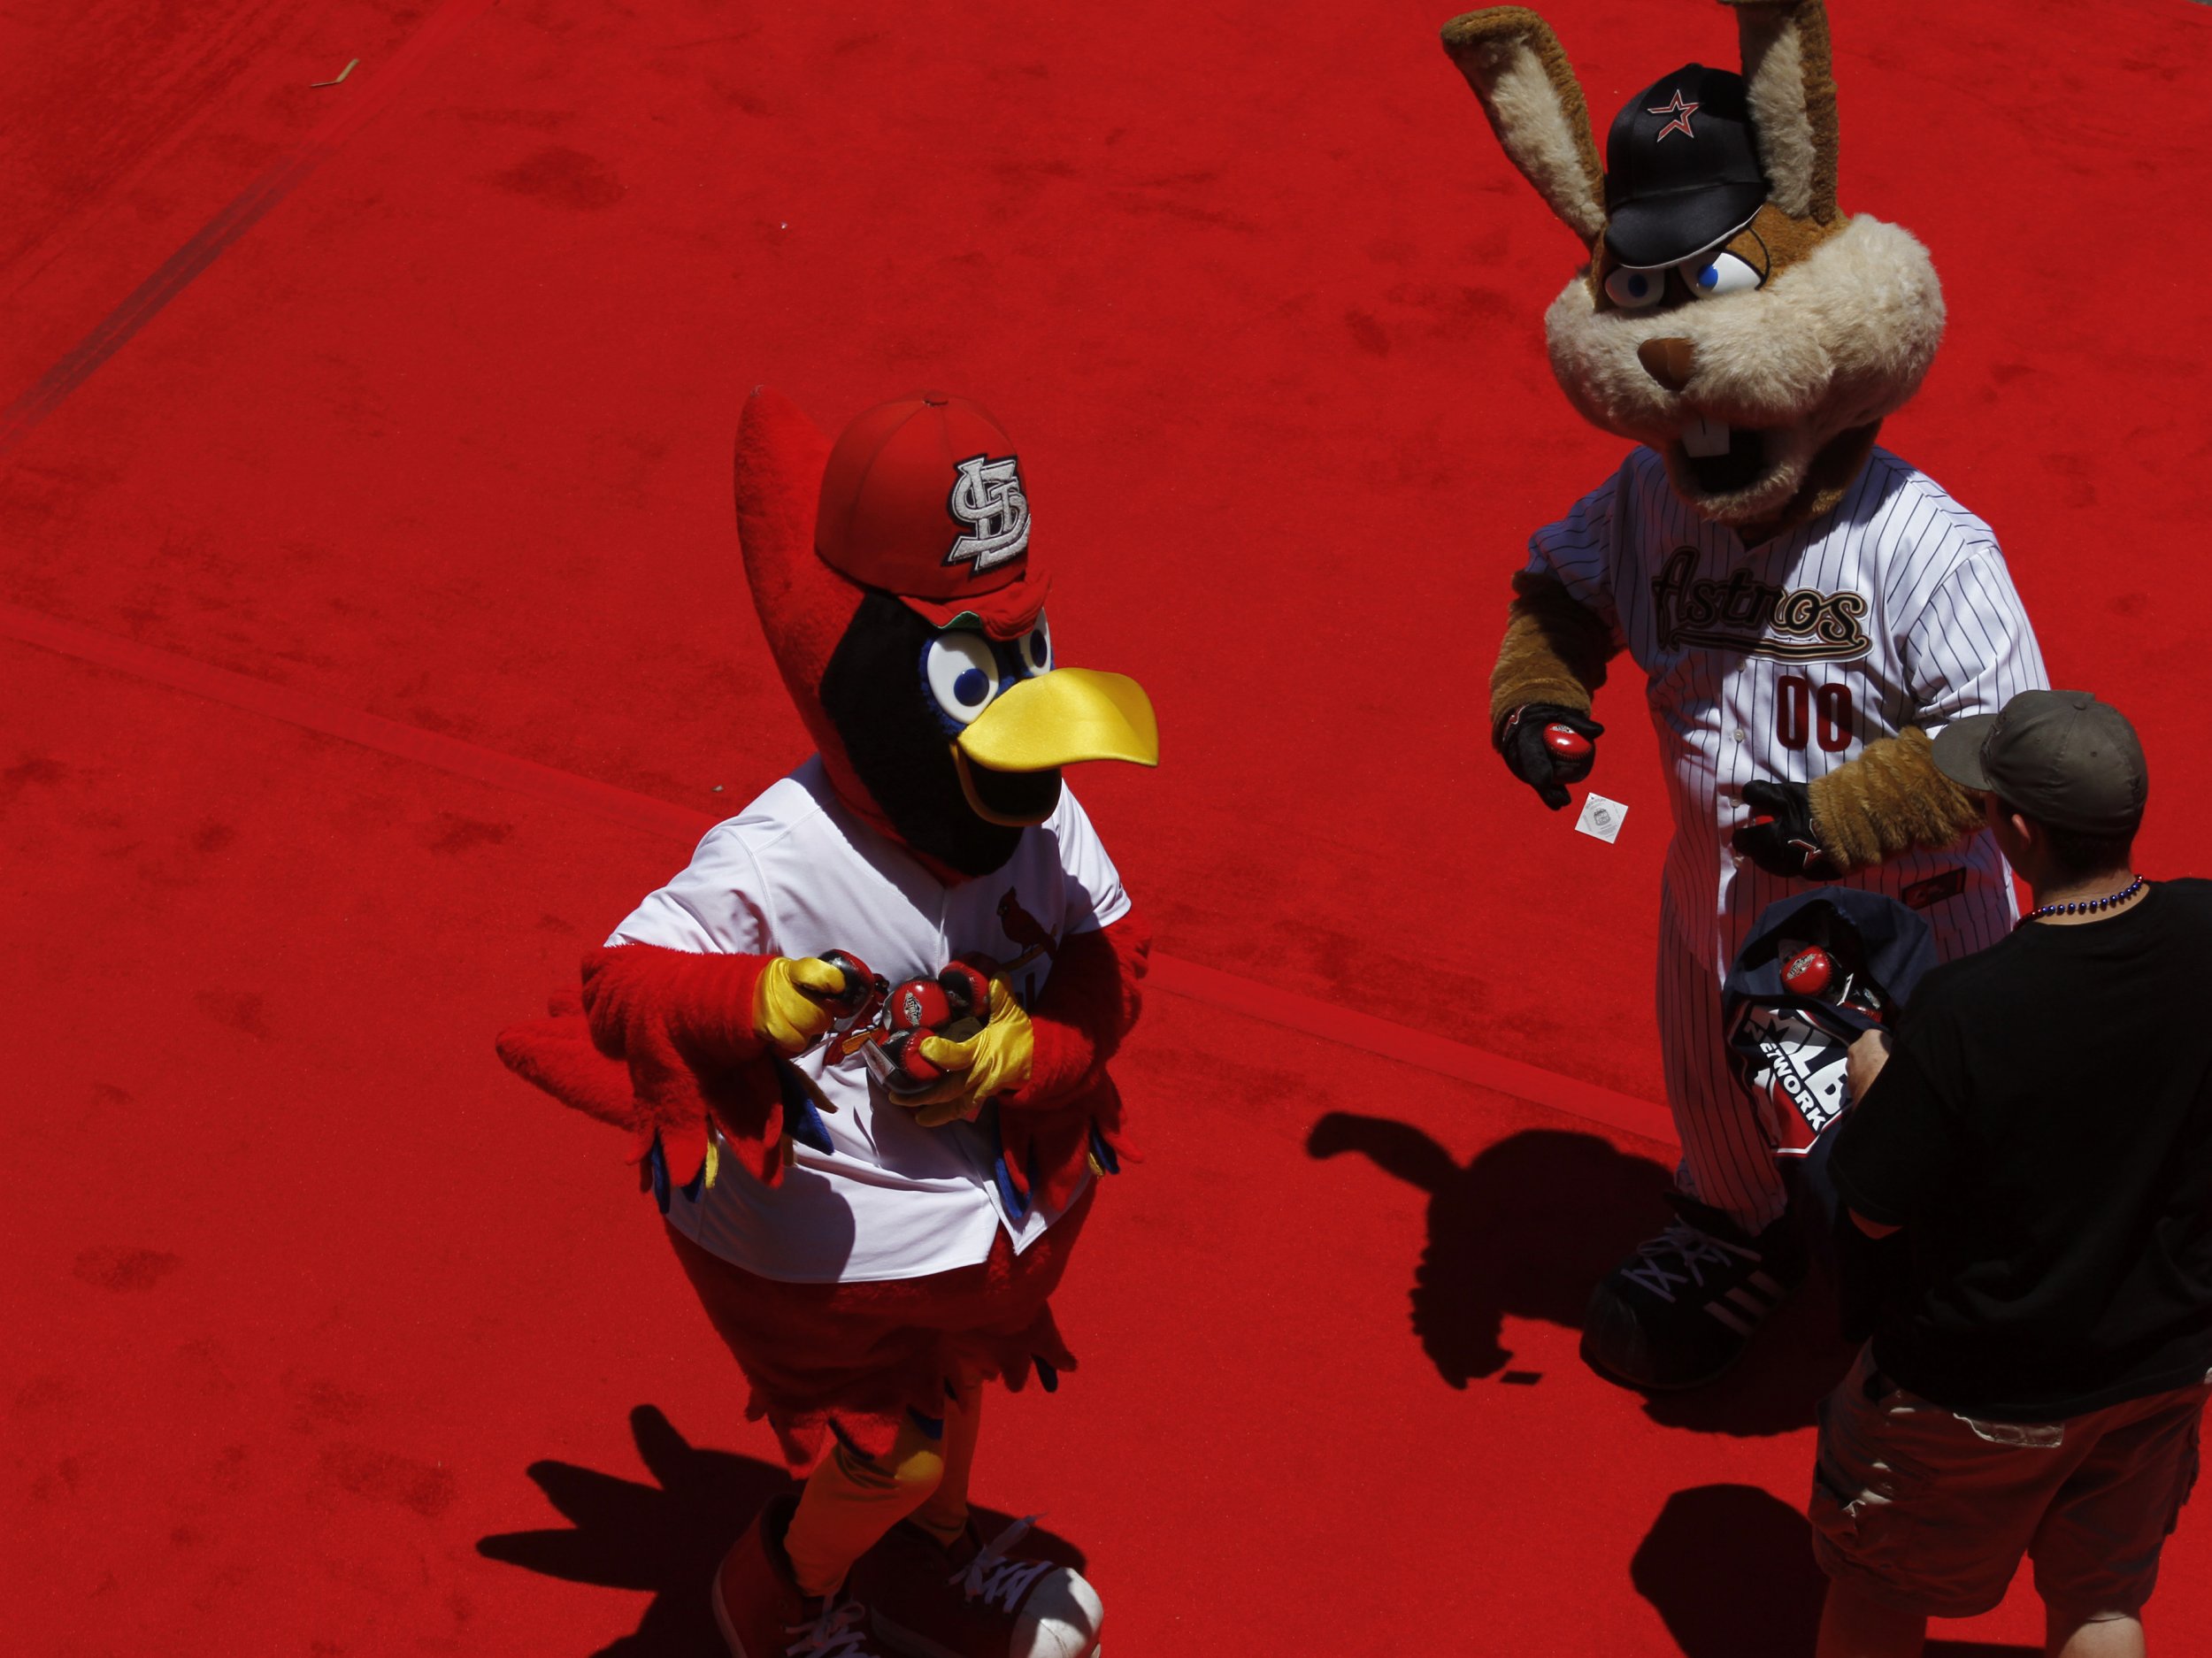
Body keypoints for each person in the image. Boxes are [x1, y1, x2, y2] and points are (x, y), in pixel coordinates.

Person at [1809, 690, 2212, 1658]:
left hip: (1977, 1384)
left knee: (1876, 1589)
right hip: (2162, 1363)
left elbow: (1867, 1211)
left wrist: (1876, 1082)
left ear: (2018, 829)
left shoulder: (1966, 1009)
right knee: (2101, 1605)